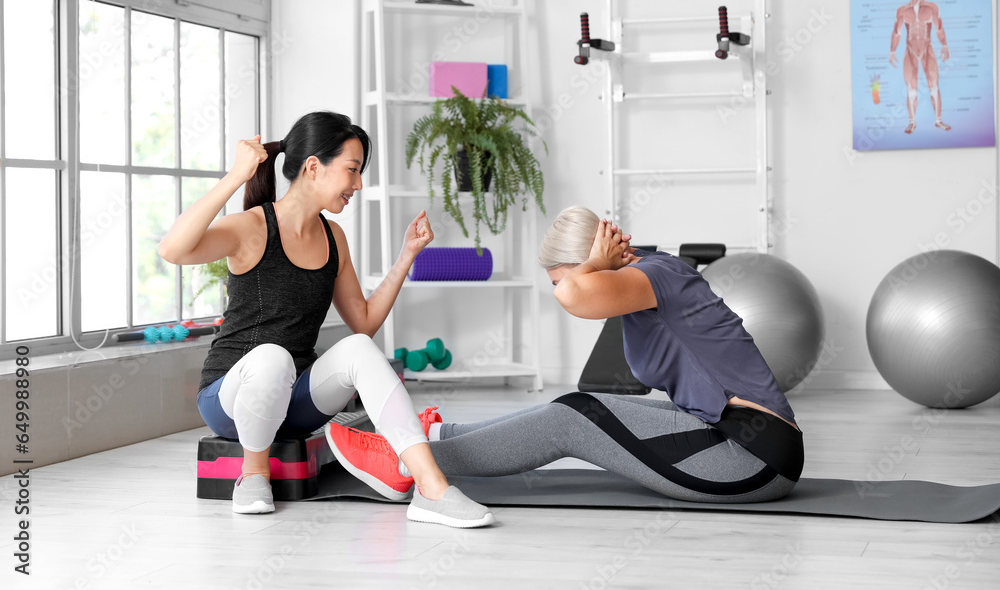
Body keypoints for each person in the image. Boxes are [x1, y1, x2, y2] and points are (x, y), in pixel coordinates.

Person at [327, 206, 804, 504]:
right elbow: (577, 290)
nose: (558, 288)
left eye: (560, 276)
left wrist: (593, 265)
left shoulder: (658, 276)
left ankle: (410, 460)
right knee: (577, 406)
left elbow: (574, 296)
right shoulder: (647, 280)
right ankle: (434, 433)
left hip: (752, 457)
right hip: (731, 438)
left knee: (574, 416)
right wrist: (594, 267)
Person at [158, 111, 494, 527]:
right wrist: (234, 177)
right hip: (229, 397)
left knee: (359, 348)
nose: (357, 184)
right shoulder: (251, 228)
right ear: (314, 167)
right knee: (272, 357)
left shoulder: (333, 237)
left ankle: (432, 489)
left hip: (295, 400)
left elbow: (364, 322)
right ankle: (253, 473)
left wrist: (407, 255)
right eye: (352, 170)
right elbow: (172, 250)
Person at [890, 0, 951, 133]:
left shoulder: (931, 8)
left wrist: (944, 45)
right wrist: (892, 51)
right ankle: (912, 122)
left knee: (934, 85)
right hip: (910, 50)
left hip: (927, 48)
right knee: (911, 88)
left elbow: (939, 28)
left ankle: (938, 121)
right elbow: (897, 33)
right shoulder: (902, 11)